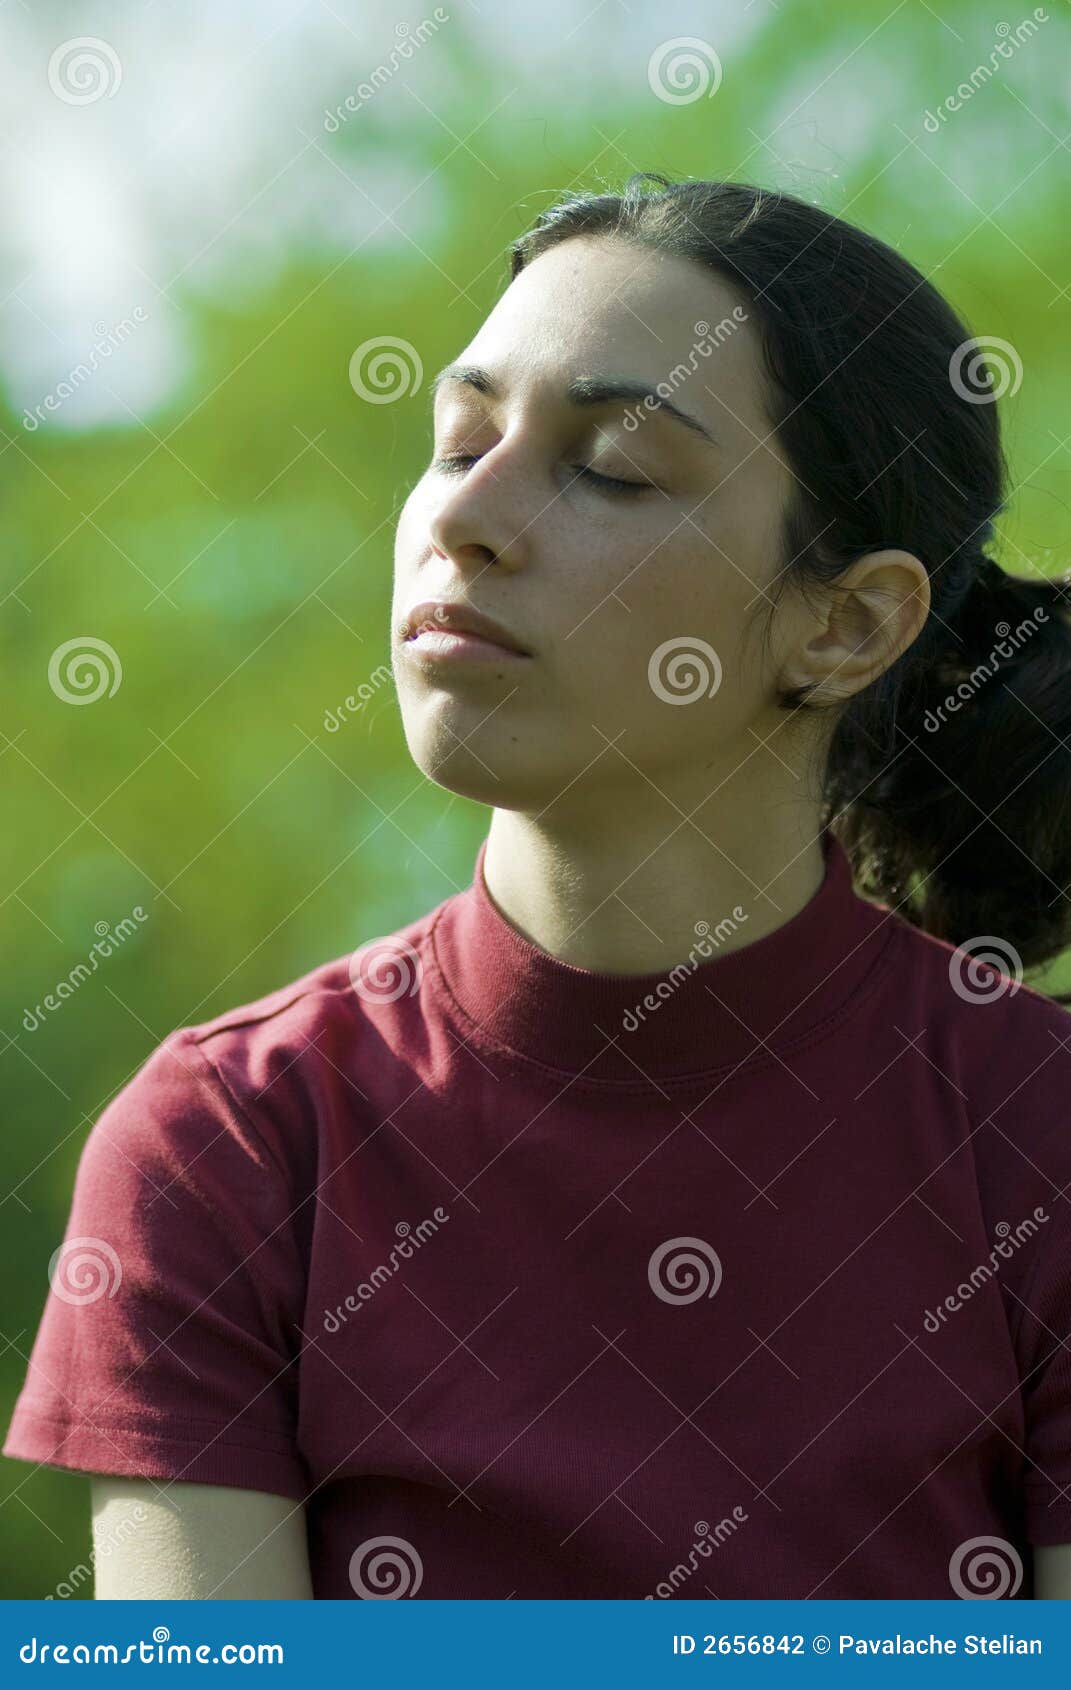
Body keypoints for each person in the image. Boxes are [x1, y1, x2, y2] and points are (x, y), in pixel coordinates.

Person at [6, 174, 1071, 1601]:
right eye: (456, 442)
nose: (471, 518)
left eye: (613, 467)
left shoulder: (1037, 1135)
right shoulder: (230, 1144)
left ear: (847, 621)